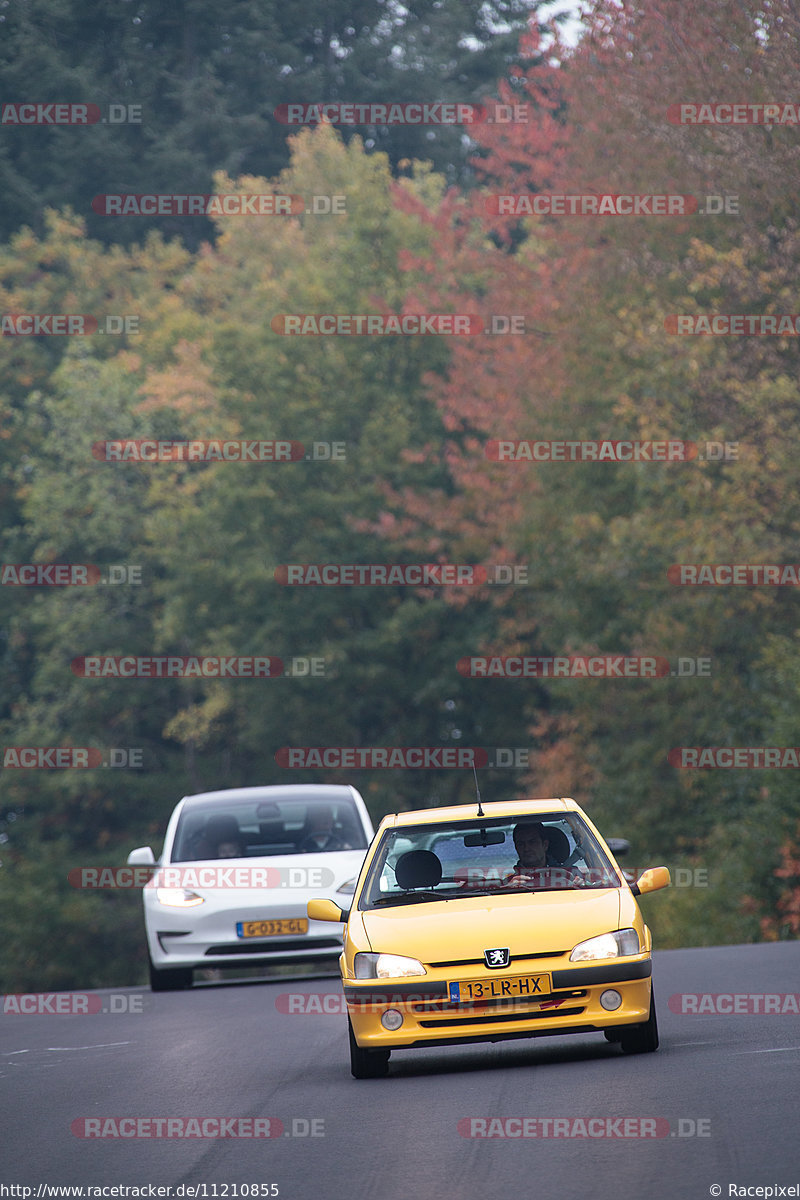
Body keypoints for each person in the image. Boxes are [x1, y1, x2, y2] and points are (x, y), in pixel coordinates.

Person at [504, 821, 584, 887]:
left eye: (532, 842)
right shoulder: (509, 882)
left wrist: (581, 885)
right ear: (516, 848)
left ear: (545, 845)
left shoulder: (571, 874)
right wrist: (507, 890)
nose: (526, 848)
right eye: (521, 844)